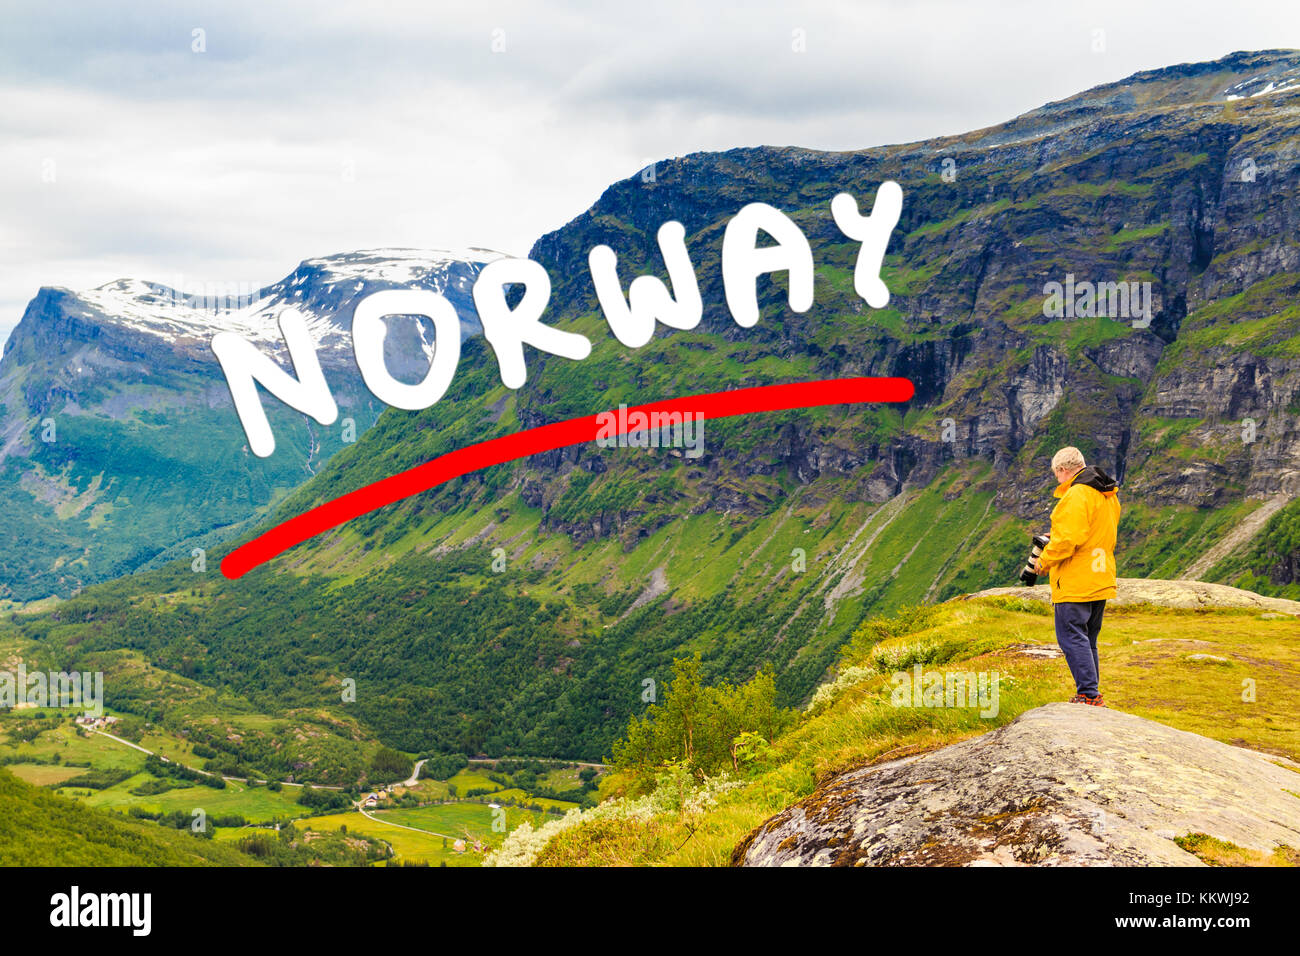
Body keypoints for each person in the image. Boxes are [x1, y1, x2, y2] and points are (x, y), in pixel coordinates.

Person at [1033, 446, 1121, 706]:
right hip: (1100, 574)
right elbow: (1093, 530)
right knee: (1087, 638)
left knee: (1071, 636)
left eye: (1056, 474)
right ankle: (1090, 691)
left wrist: (1044, 561)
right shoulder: (1107, 494)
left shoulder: (1076, 495)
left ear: (1062, 470)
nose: (1056, 479)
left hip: (1077, 579)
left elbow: (1069, 540)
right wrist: (1057, 535)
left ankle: (1089, 695)